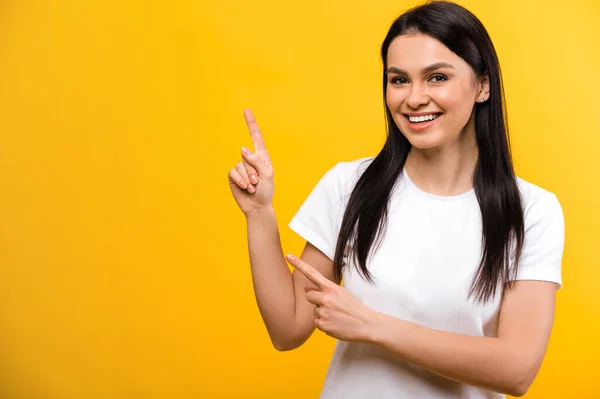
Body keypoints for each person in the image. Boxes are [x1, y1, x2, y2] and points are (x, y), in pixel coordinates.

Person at [227, 1, 564, 398]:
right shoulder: (349, 185)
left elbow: (517, 369)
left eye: (437, 77)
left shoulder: (531, 211)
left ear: (483, 85)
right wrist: (259, 213)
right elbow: (287, 330)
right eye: (399, 79)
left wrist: (372, 325)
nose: (414, 98)